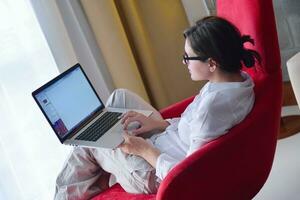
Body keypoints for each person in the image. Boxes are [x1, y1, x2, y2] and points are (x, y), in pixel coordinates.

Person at [54, 16, 261, 200]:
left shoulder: (213, 107)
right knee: (119, 97)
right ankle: (101, 170)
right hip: (166, 140)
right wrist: (158, 124)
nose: (184, 62)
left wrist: (141, 149)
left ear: (212, 63)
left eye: (188, 57)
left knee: (88, 141)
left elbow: (188, 175)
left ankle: (88, 178)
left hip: (154, 172)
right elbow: (195, 127)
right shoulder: (236, 81)